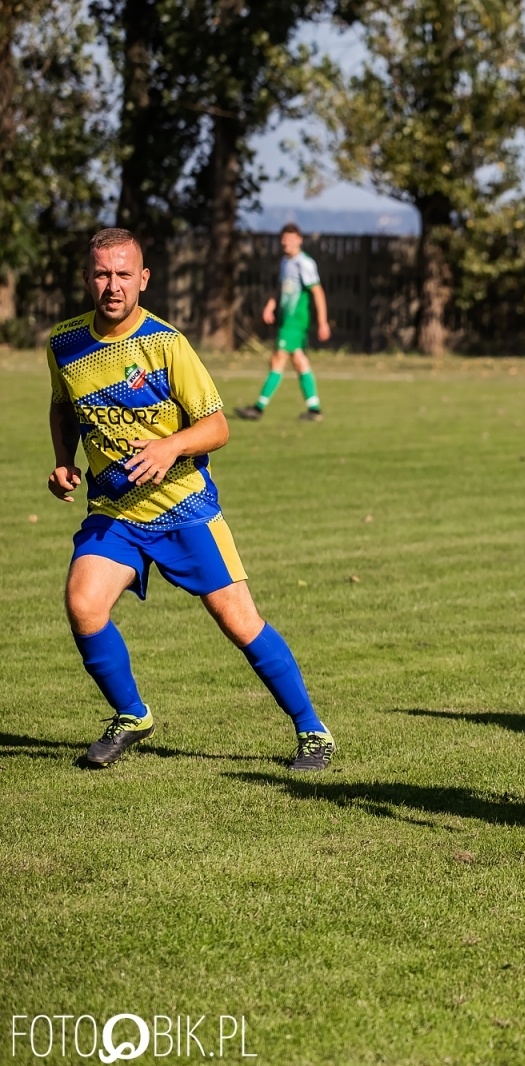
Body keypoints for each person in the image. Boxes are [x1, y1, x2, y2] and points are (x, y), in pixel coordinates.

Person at [46, 228, 335, 771]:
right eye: (102, 274)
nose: (113, 285)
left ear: (143, 279)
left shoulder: (166, 344)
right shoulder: (64, 342)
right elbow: (63, 405)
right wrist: (64, 460)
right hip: (114, 511)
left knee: (240, 622)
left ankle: (312, 730)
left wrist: (170, 445)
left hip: (182, 507)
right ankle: (132, 715)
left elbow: (217, 427)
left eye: (123, 274)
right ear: (86, 278)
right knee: (83, 605)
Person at [236, 222, 329, 422]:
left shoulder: (304, 263)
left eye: (290, 239)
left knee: (278, 359)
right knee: (299, 362)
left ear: (299, 240)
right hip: (287, 320)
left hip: (295, 321)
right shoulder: (286, 262)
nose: (286, 243)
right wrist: (270, 306)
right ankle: (314, 409)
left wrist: (322, 321)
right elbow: (280, 288)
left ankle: (258, 408)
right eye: (284, 239)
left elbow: (317, 291)